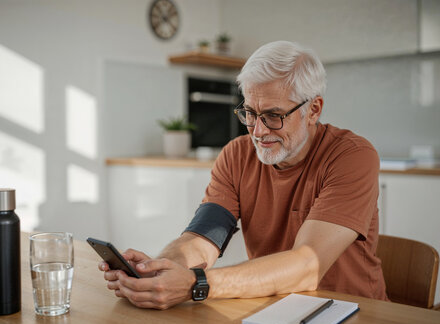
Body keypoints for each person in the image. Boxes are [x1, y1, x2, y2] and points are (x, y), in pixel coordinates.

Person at [99, 40, 388, 309]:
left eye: (274, 116)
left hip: (352, 314)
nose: (258, 132)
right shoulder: (237, 155)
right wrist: (159, 269)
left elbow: (307, 266)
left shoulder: (352, 156)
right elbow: (202, 239)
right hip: (272, 308)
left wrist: (196, 284)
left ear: (313, 110)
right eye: (250, 113)